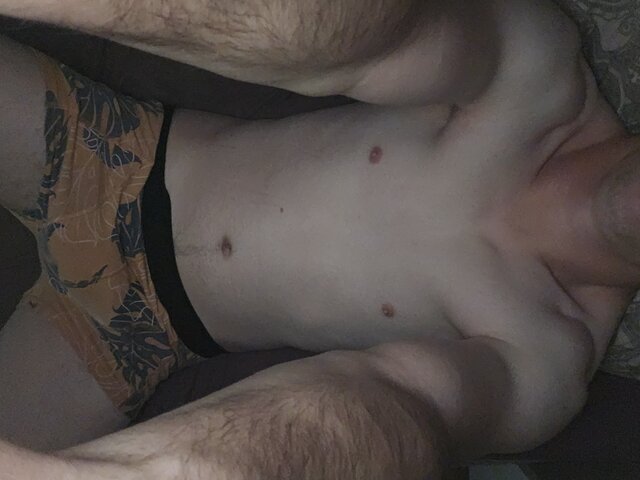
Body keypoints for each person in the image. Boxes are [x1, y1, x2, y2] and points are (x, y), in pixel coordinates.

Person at [0, 0, 638, 478]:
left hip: (123, 336)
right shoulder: (537, 72)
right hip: (102, 150)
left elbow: (406, 411)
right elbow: (375, 36)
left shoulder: (548, 357)